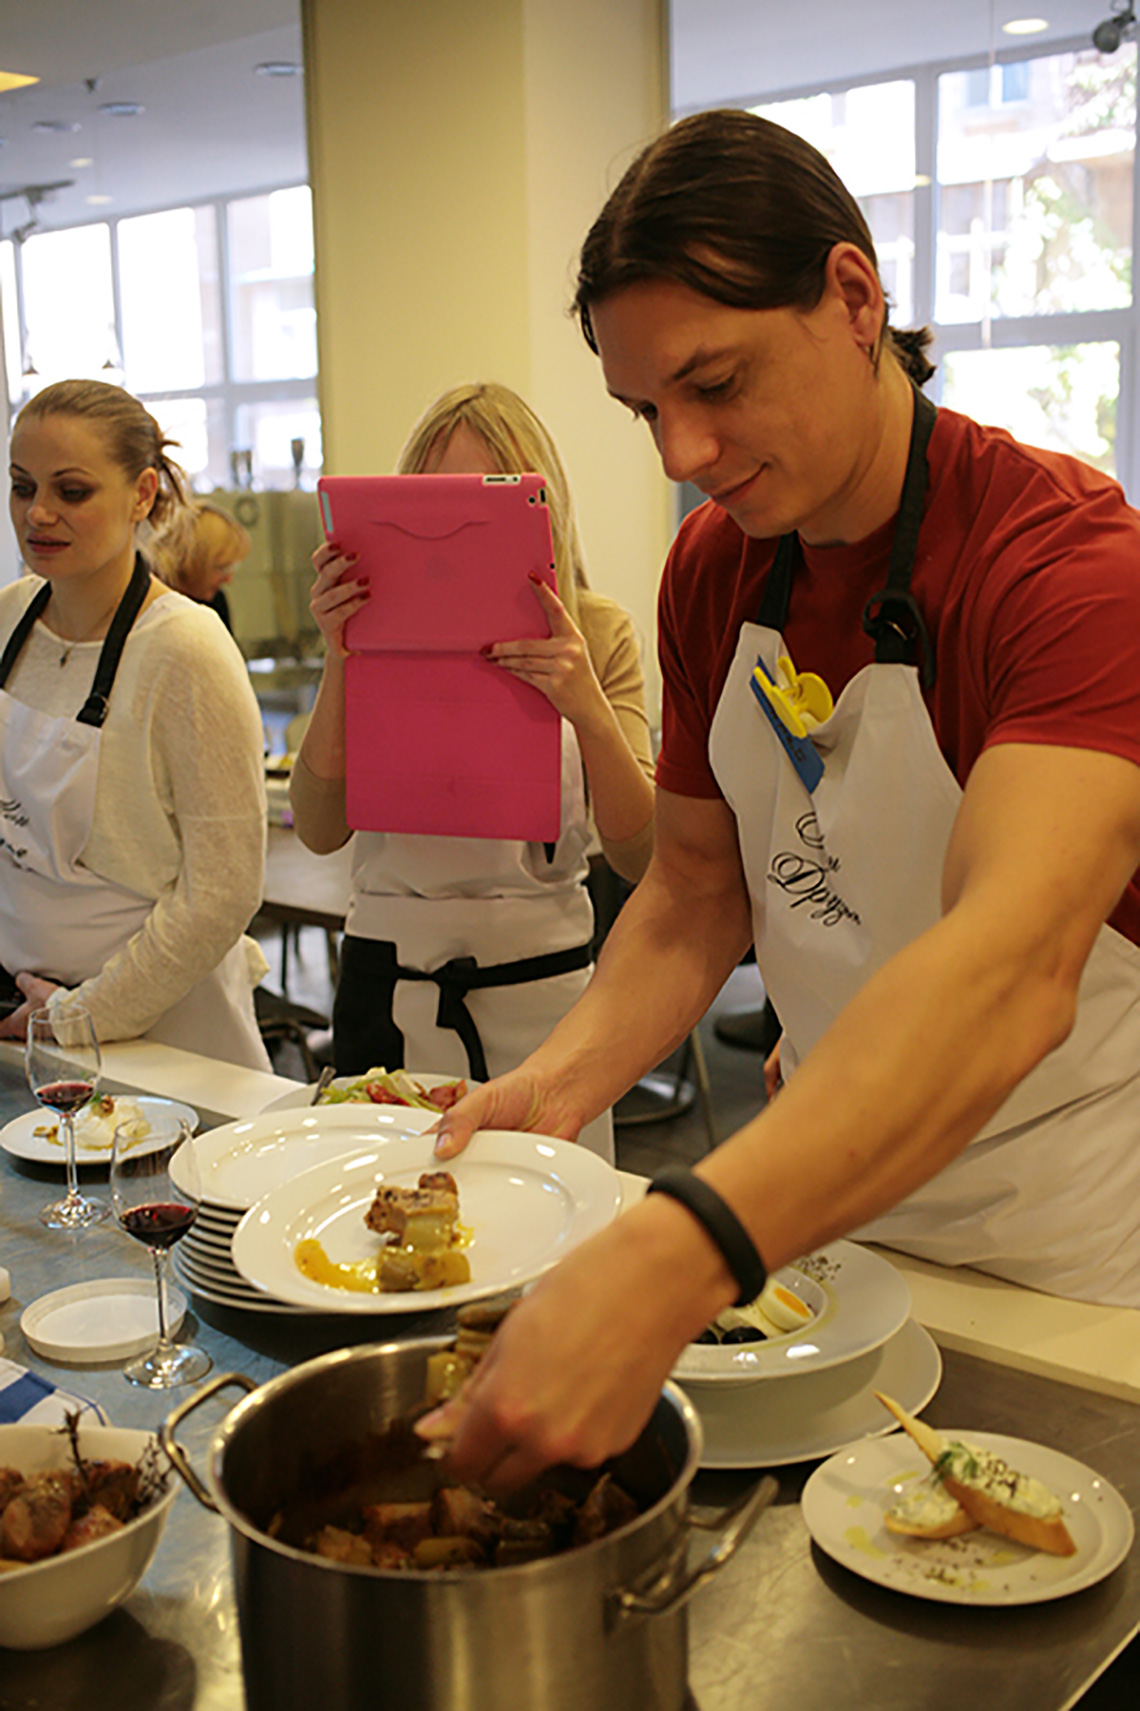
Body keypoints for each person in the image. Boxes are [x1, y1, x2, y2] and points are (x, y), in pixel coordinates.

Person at [416, 109, 1140, 1492]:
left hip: (1072, 1263)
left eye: (716, 383)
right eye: (645, 412)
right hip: (817, 1222)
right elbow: (696, 886)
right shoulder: (716, 573)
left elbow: (1014, 967)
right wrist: (560, 1086)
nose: (681, 452)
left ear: (854, 299)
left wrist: (679, 1245)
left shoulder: (1066, 565)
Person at [289, 382, 654, 1159]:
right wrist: (341, 658)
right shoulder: (366, 629)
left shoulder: (597, 629)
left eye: (487, 508)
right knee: (387, 1234)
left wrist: (584, 700)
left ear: (538, 512)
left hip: (545, 998)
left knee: (554, 1242)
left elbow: (641, 854)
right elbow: (319, 830)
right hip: (390, 989)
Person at [0, 379, 270, 1069]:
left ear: (142, 494)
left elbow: (222, 893)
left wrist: (78, 1014)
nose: (38, 514)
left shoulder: (188, 650)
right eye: (22, 486)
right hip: (26, 1026)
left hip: (166, 1041)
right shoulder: (7, 620)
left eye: (72, 491)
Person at [149, 498, 252, 632]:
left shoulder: (215, 602)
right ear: (192, 562)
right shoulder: (152, 606)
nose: (228, 579)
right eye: (220, 568)